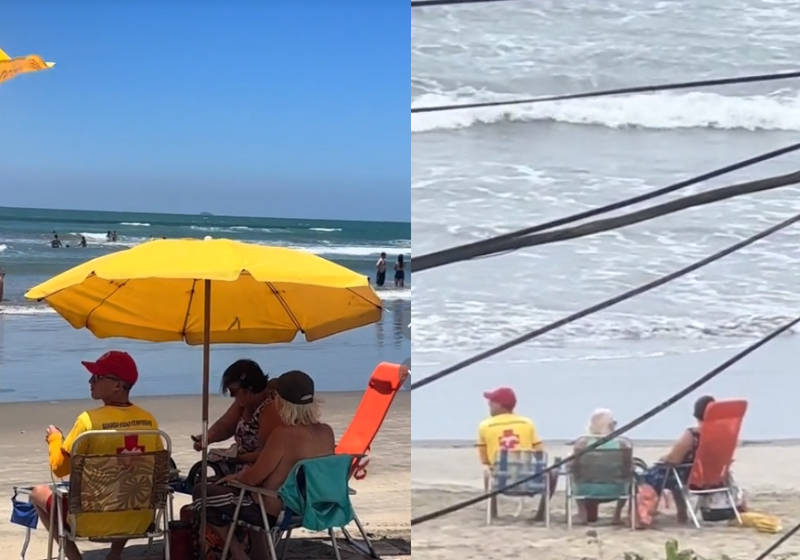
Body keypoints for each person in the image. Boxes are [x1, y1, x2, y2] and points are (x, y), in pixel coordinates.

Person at [29, 351, 161, 560]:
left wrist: (55, 439)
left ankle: (75, 558)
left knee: (37, 492)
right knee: (127, 481)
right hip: (140, 519)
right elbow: (156, 470)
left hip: (89, 521)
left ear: (117, 385)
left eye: (97, 377)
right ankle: (114, 555)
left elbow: (60, 469)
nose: (91, 381)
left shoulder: (89, 421)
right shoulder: (149, 421)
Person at [192, 370, 334, 560]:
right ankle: (260, 554)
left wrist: (233, 477)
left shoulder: (283, 435)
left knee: (201, 493)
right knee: (251, 493)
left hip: (276, 513)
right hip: (315, 507)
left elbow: (253, 478)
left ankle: (238, 553)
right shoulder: (326, 432)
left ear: (281, 401)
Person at [478, 387, 556, 522]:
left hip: (501, 480)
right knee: (553, 472)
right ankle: (541, 513)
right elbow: (539, 453)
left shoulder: (485, 425)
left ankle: (493, 512)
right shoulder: (527, 423)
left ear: (500, 405)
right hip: (529, 480)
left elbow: (484, 458)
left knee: (487, 471)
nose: (489, 404)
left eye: (492, 401)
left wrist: (488, 464)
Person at [634, 395, 714, 527]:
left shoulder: (692, 435)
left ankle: (645, 513)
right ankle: (682, 512)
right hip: (709, 475)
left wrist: (664, 459)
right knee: (673, 474)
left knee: (649, 476)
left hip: (687, 476)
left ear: (696, 414)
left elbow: (674, 459)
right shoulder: (721, 434)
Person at [191, 359, 281, 471]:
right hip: (242, 465)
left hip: (260, 471)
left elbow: (266, 454)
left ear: (249, 388)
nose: (232, 396)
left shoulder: (271, 408)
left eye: (233, 392)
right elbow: (226, 425)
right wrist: (207, 438)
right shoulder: (245, 402)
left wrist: (235, 459)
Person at [571, 408, 631, 525]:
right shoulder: (622, 444)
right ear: (611, 425)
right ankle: (616, 515)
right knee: (629, 479)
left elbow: (574, 467)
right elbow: (628, 468)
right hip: (617, 490)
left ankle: (582, 514)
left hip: (586, 490)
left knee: (575, 478)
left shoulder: (582, 443)